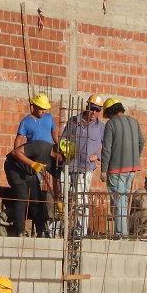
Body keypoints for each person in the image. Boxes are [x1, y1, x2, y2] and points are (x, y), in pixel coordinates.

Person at [60, 94, 107, 236]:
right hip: (69, 165)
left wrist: (97, 156)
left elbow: (107, 147)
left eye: (97, 110)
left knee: (81, 200)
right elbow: (63, 139)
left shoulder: (101, 128)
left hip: (85, 168)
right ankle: (61, 228)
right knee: (63, 199)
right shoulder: (73, 122)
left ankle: (81, 231)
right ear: (87, 107)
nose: (94, 113)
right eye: (92, 109)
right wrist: (65, 152)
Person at [99, 97, 145, 239]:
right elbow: (141, 141)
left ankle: (121, 234)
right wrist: (134, 157)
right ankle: (122, 232)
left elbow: (106, 149)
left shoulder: (111, 125)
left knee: (118, 202)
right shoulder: (134, 122)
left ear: (110, 112)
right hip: (131, 169)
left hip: (115, 169)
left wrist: (103, 169)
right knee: (124, 200)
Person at [3, 140, 61, 237]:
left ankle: (41, 231)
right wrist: (33, 164)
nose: (64, 160)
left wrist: (58, 200)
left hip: (29, 172)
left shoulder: (57, 162)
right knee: (22, 198)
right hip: (15, 167)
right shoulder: (40, 147)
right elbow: (16, 152)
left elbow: (56, 181)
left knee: (37, 199)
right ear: (58, 152)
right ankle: (19, 232)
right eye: (64, 157)